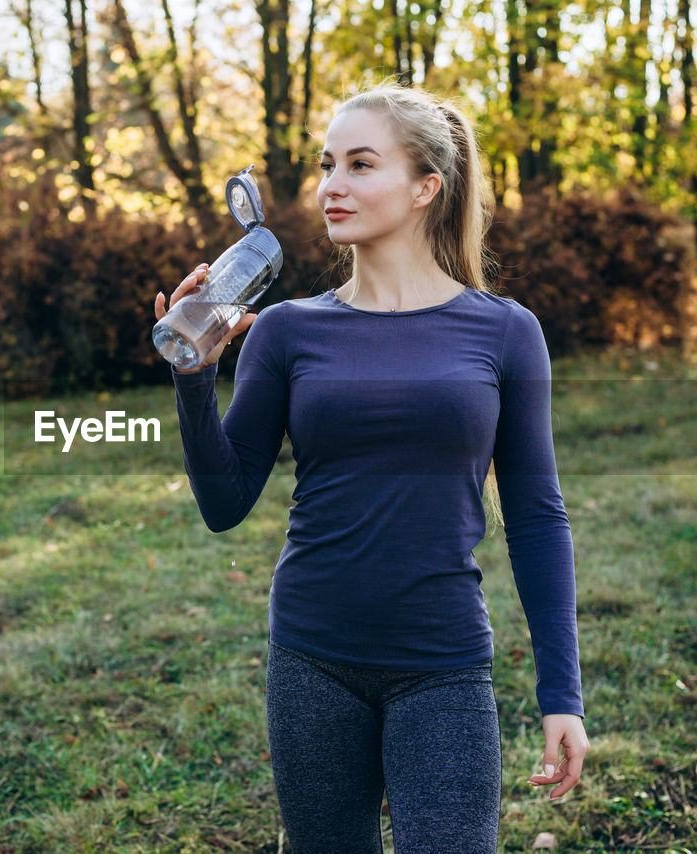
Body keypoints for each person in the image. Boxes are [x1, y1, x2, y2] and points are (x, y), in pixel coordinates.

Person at [152, 79, 589, 853]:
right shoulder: (285, 331)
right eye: (326, 166)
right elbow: (224, 501)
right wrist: (194, 382)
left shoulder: (506, 333)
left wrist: (563, 695)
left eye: (359, 164)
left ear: (427, 187)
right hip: (312, 658)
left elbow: (535, 514)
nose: (330, 187)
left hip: (443, 664)